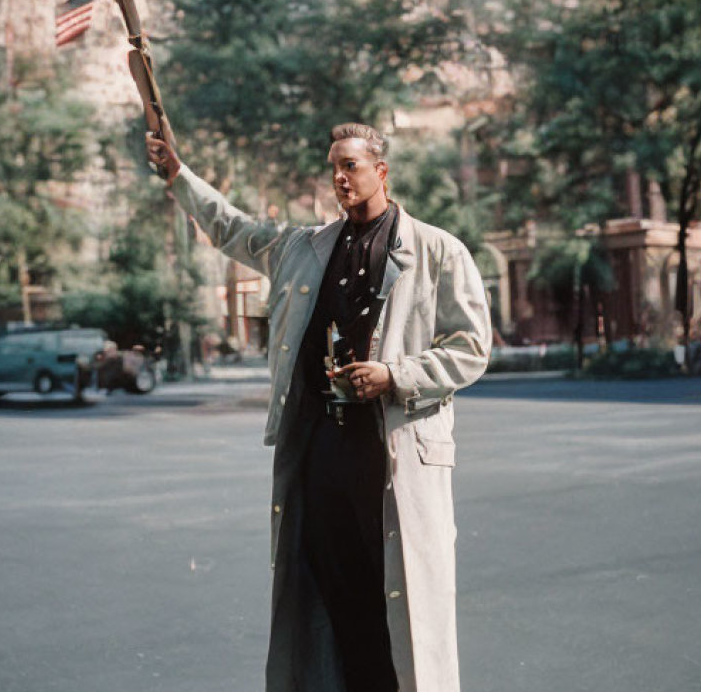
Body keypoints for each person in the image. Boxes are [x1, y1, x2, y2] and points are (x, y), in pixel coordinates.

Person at [146, 123, 492, 692]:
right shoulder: (305, 247)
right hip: (323, 455)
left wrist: (394, 375)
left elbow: (472, 349)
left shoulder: (437, 250)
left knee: (403, 611)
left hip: (393, 456)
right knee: (339, 602)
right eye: (334, 166)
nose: (340, 177)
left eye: (351, 165)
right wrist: (179, 176)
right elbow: (232, 229)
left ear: (381, 172)